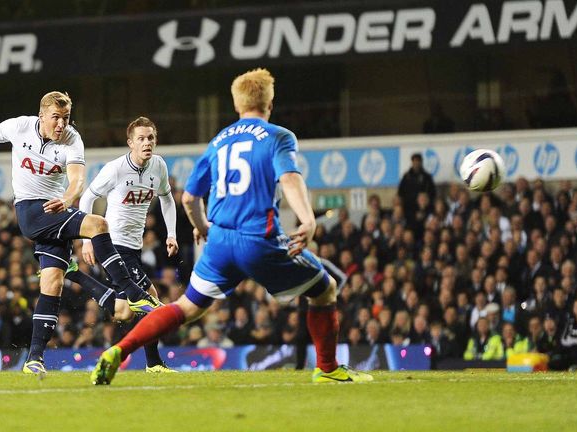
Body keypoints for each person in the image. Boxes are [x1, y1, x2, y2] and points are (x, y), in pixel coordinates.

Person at [92, 68, 373, 385]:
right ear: (269, 103)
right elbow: (290, 178)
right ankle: (328, 368)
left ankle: (118, 350)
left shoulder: (218, 142)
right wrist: (308, 219)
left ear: (238, 105)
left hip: (220, 242)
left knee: (184, 307)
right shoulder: (279, 136)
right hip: (258, 240)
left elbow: (189, 199)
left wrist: (202, 226)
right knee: (325, 289)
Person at [0, 91, 161, 376]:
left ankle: (33, 358)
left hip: (57, 208)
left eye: (66, 118)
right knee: (97, 225)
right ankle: (134, 294)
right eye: (56, 118)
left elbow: (77, 179)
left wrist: (70, 198)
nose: (61, 124)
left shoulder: (72, 139)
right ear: (41, 117)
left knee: (52, 283)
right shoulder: (19, 127)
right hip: (31, 211)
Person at [77, 116, 179, 373]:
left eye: (151, 138)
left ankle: (74, 275)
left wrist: (172, 234)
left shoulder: (158, 166)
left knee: (123, 311)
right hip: (113, 244)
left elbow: (167, 199)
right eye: (141, 139)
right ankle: (154, 363)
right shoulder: (116, 169)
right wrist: (87, 240)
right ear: (130, 143)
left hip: (134, 246)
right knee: (151, 299)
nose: (147, 143)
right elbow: (87, 199)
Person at [397, 153, 436, 231]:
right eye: (415, 161)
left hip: (424, 209)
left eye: (418, 161)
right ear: (412, 162)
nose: (416, 163)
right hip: (409, 208)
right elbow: (400, 193)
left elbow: (432, 193)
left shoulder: (426, 177)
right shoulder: (406, 177)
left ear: (421, 162)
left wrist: (424, 205)